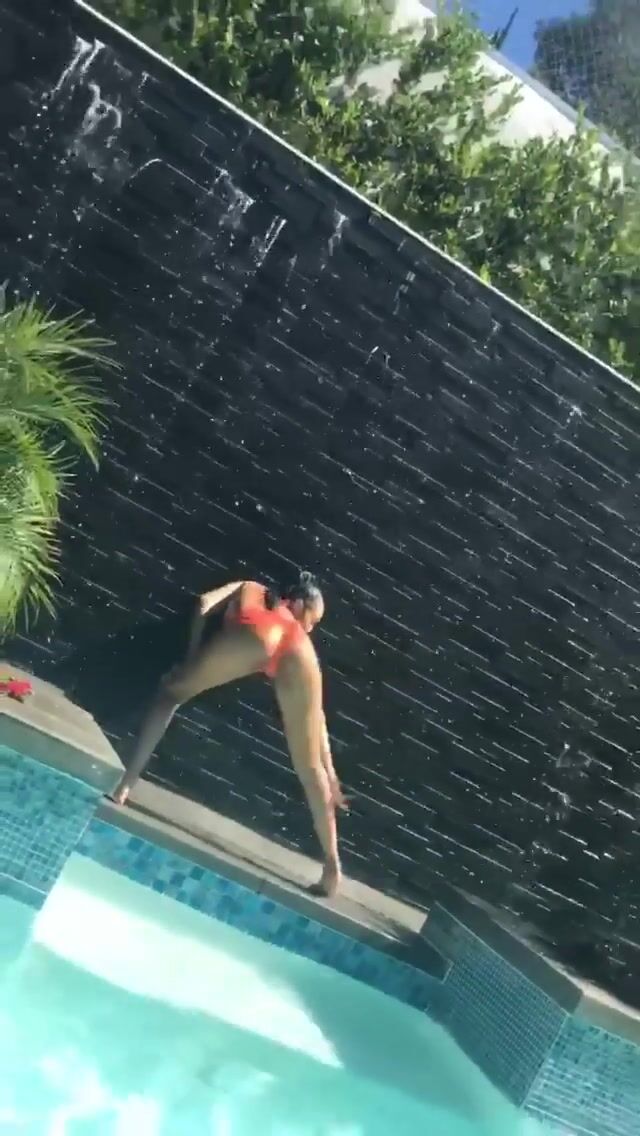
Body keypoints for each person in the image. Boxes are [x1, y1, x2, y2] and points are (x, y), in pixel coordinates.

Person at [110, 572, 347, 896]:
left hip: (256, 632)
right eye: (311, 619)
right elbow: (317, 715)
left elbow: (203, 603)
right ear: (297, 603)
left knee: (170, 694)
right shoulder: (301, 636)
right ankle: (332, 867)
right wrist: (329, 771)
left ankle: (125, 786)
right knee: (310, 768)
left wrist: (192, 657)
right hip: (296, 654)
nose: (310, 628)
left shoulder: (250, 588)